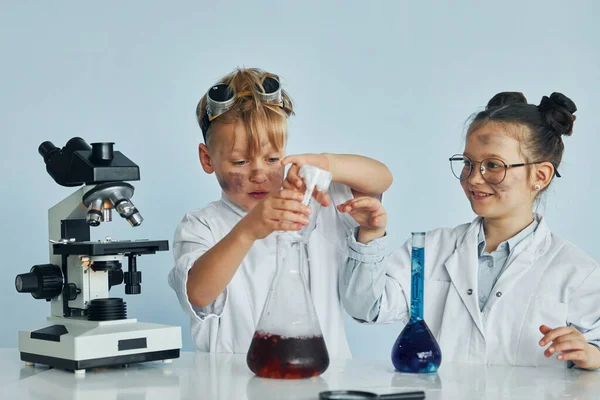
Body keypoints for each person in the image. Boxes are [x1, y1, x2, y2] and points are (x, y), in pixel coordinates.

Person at [338, 92, 600, 370]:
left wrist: (590, 355)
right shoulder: (430, 248)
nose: (474, 178)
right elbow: (366, 307)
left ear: (540, 176)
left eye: (493, 165)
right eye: (468, 163)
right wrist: (369, 234)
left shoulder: (576, 271)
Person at [168, 67, 393, 358]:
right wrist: (248, 229)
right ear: (207, 158)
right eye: (240, 162)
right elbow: (198, 293)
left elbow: (382, 177)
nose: (259, 174)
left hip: (321, 380)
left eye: (273, 158)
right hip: (235, 386)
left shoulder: (315, 201)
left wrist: (324, 163)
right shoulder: (201, 225)